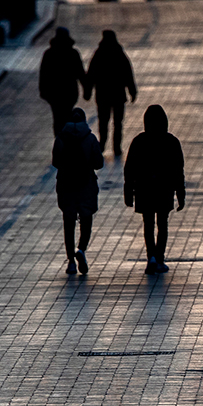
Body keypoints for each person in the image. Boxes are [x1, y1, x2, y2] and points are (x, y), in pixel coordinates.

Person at [123, 105, 186, 275]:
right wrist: (180, 194)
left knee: (148, 223)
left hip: (144, 189)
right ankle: (159, 258)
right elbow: (178, 171)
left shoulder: (139, 141)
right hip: (164, 189)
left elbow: (129, 169)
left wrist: (128, 192)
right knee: (162, 224)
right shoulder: (171, 142)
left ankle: (151, 256)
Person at [52, 107, 105, 275]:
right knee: (86, 219)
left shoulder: (61, 138)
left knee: (68, 223)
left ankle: (71, 262)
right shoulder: (90, 138)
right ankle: (81, 249)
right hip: (86, 184)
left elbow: (56, 162)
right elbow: (98, 163)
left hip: (66, 185)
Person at [85, 30, 137, 157]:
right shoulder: (119, 54)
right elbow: (128, 74)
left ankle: (102, 144)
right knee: (118, 122)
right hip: (118, 95)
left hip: (102, 95)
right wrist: (132, 91)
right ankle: (116, 147)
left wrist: (88, 91)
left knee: (103, 121)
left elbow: (91, 74)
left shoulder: (98, 54)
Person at [40, 27, 87, 137]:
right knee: (67, 115)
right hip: (70, 92)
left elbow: (44, 74)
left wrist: (43, 91)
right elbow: (80, 73)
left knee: (57, 118)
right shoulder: (73, 53)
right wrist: (86, 89)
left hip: (54, 93)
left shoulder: (49, 53)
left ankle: (59, 139)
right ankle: (66, 137)